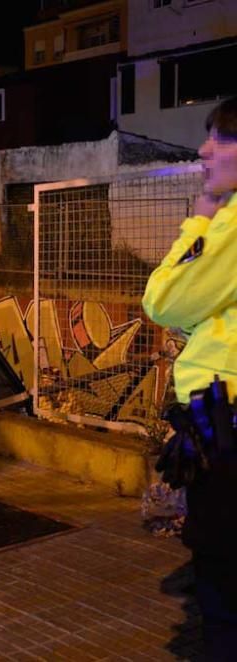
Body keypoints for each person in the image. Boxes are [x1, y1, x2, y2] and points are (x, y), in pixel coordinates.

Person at [142, 96, 237, 659]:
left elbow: (164, 299)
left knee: (222, 575)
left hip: (226, 421)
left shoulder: (233, 226)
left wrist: (201, 215)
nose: (204, 150)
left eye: (221, 138)